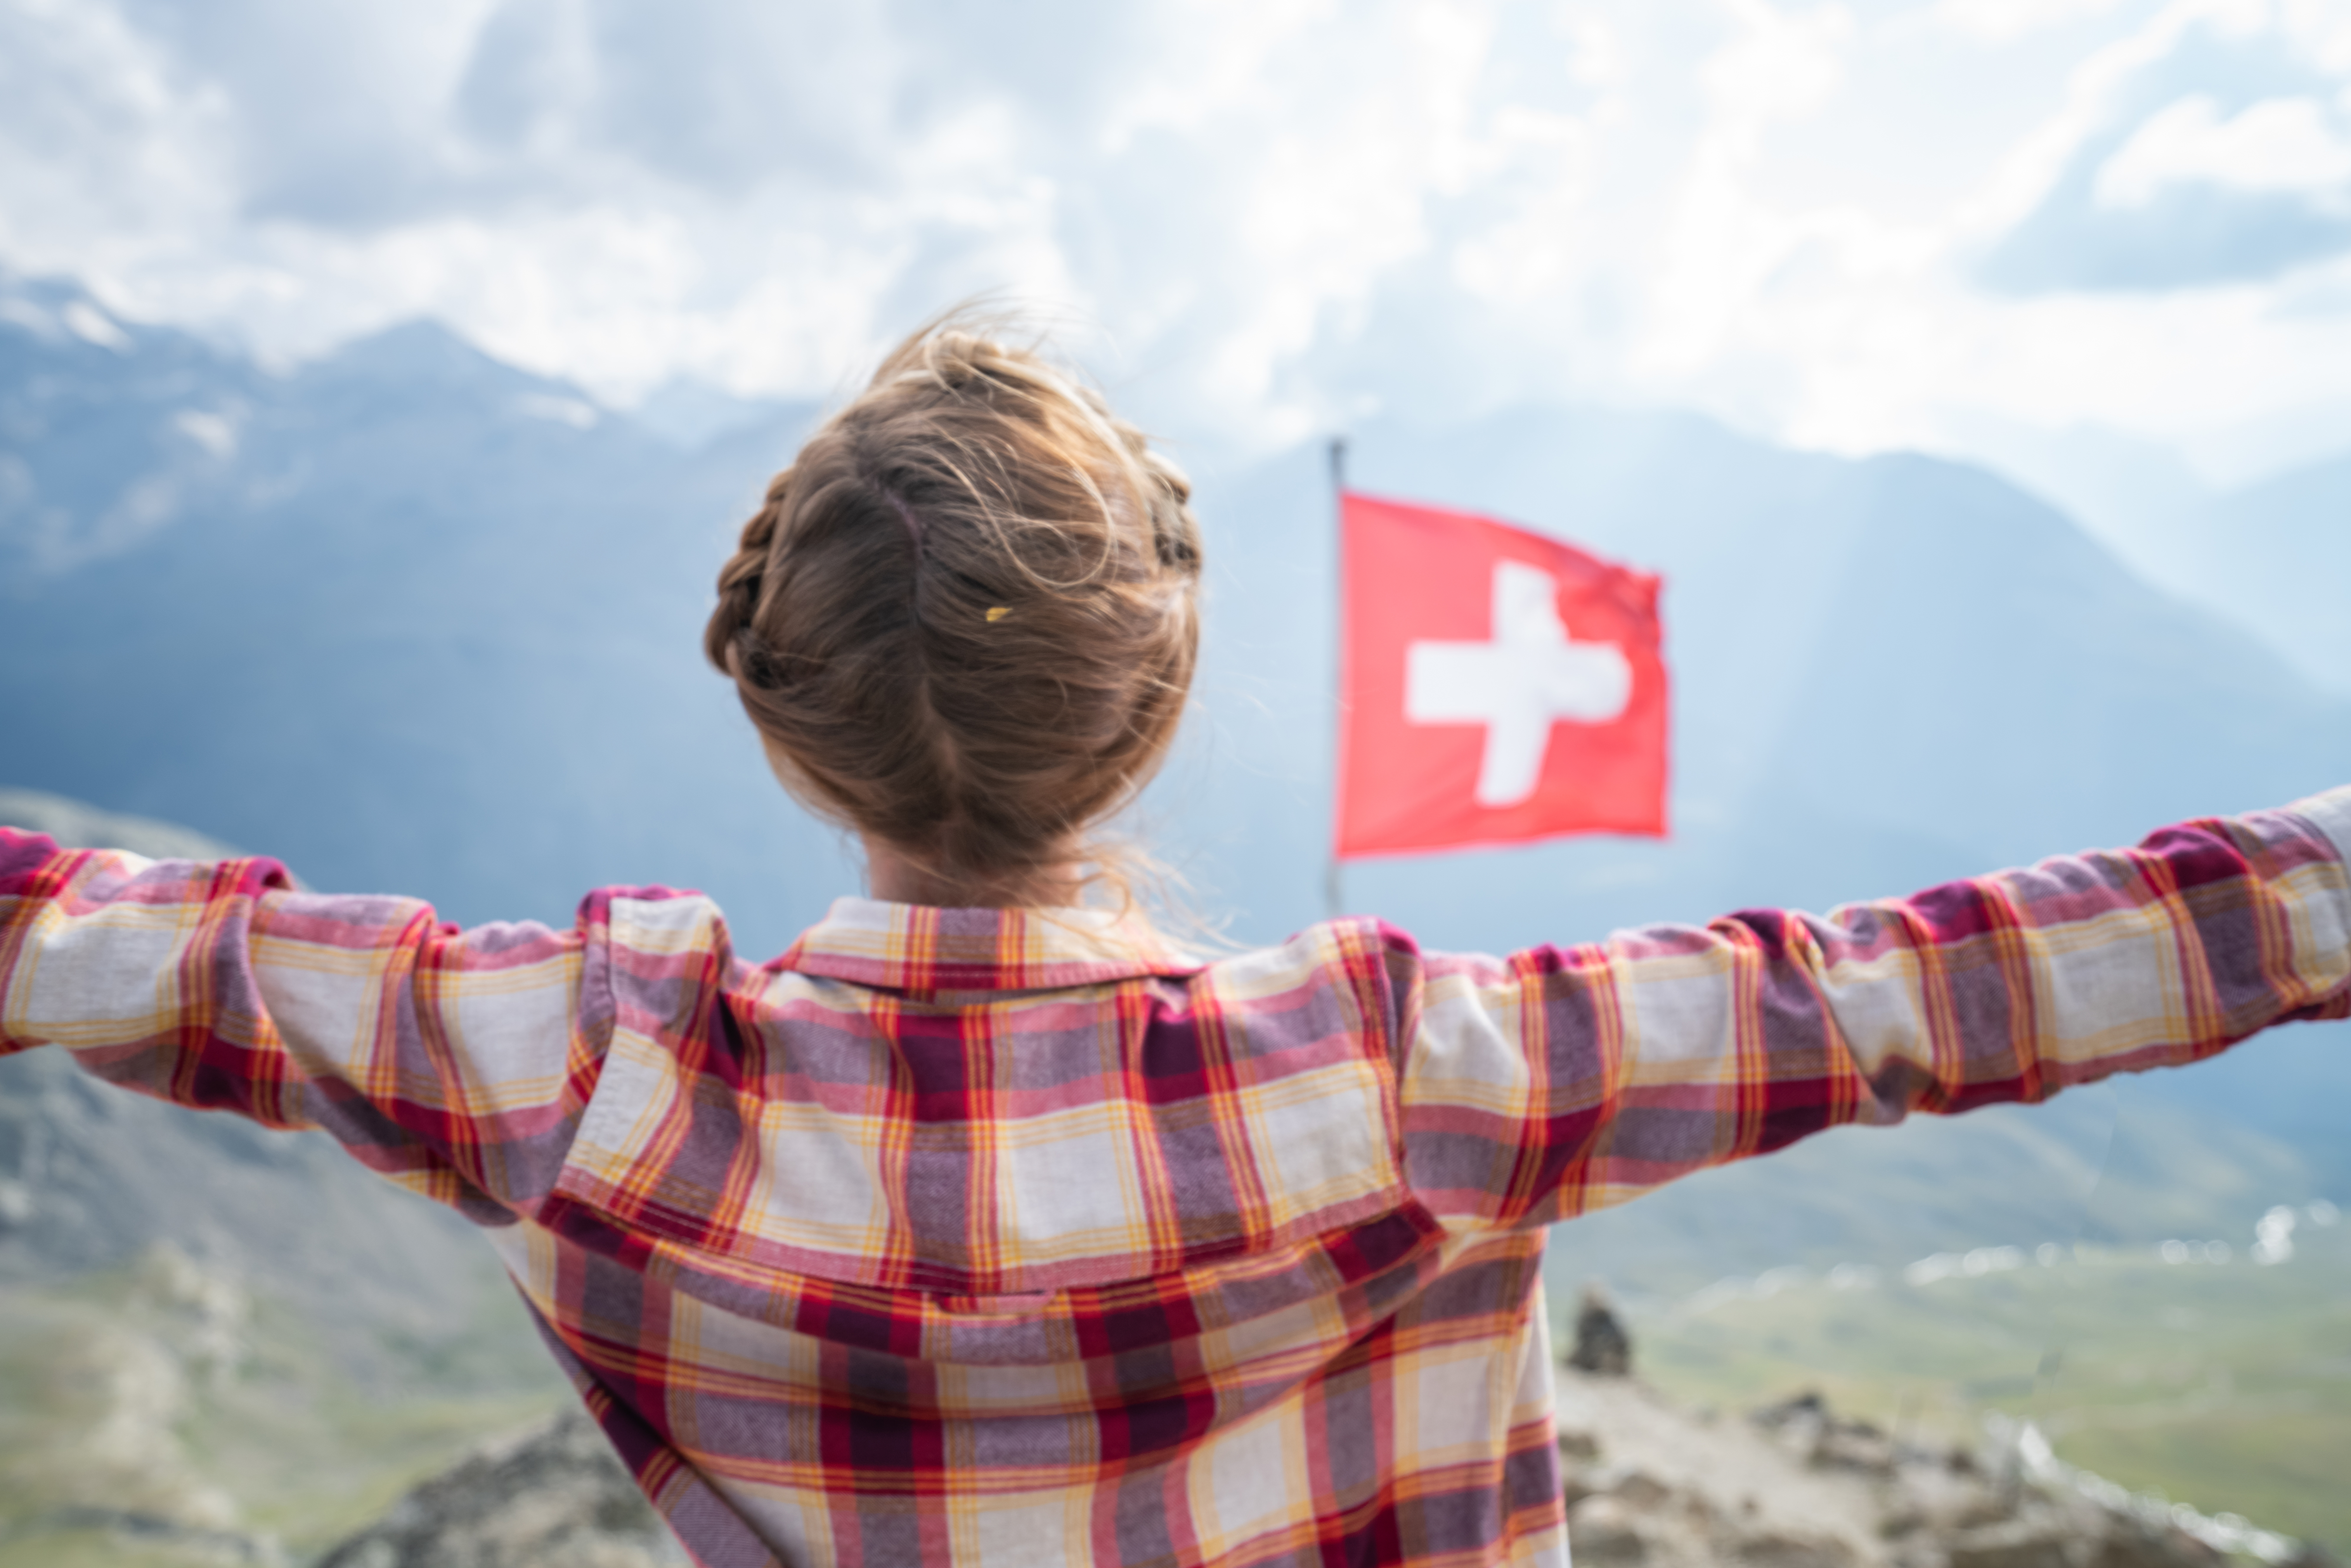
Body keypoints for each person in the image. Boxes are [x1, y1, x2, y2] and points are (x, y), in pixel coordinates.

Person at [2, 315, 2346, 1568]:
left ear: (785, 718)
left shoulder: (577, 1073)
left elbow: (141, 948)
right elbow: (1918, 991)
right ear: (1152, 709)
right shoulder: (1412, 1083)